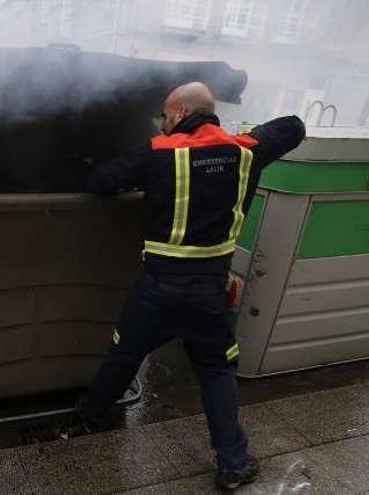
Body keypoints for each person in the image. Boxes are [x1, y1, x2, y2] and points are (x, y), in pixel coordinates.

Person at [76, 82, 305, 490]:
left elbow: (100, 181)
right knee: (216, 370)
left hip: (158, 288)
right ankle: (233, 464)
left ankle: (85, 422)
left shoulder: (158, 152)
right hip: (210, 292)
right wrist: (240, 134)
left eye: (165, 115)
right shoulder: (246, 150)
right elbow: (293, 126)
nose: (162, 124)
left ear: (180, 113)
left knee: (123, 355)